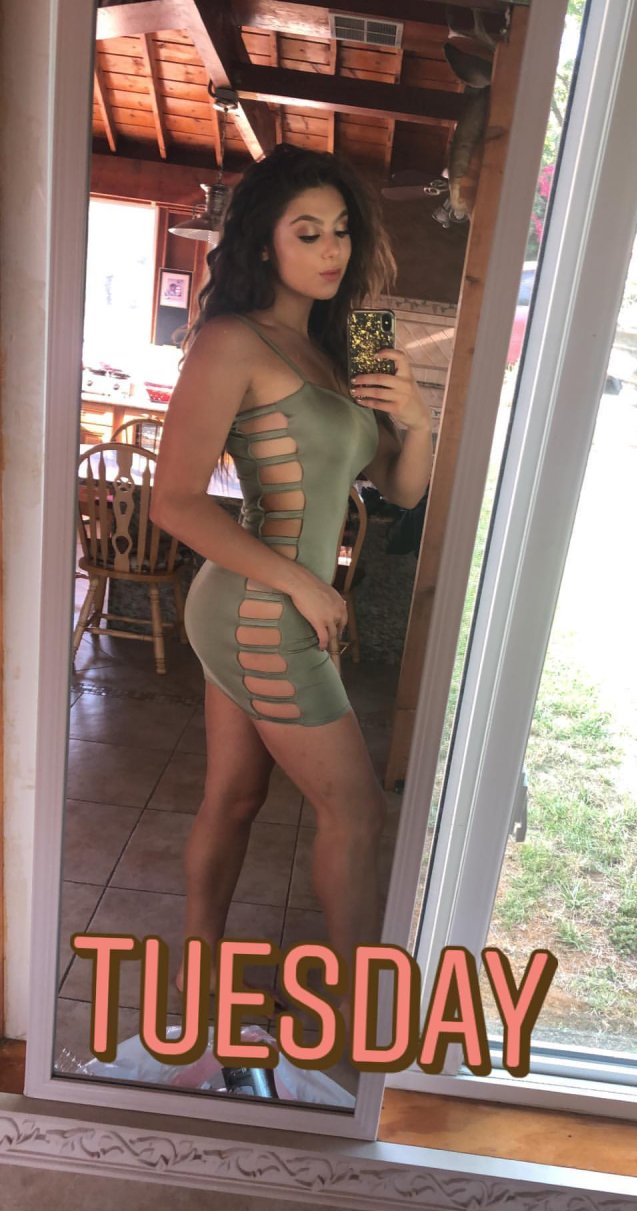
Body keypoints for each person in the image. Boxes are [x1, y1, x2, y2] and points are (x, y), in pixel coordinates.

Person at [151, 144, 433, 1034]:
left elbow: (401, 489)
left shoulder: (337, 351)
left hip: (270, 604)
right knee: (357, 812)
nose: (331, 249)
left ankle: (199, 986)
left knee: (236, 798)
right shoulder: (232, 341)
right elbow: (173, 501)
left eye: (341, 231)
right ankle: (354, 1017)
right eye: (307, 232)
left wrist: (417, 419)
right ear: (263, 243)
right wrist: (304, 588)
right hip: (259, 605)